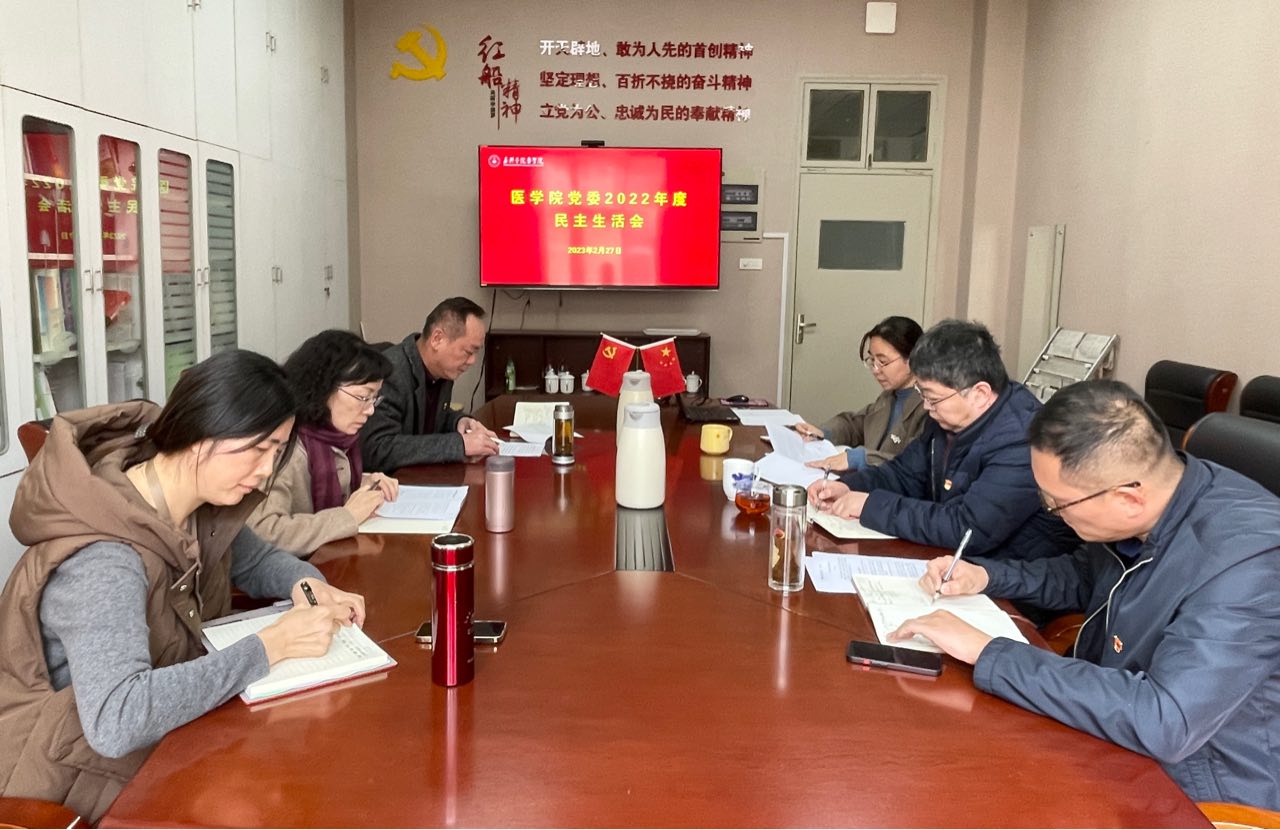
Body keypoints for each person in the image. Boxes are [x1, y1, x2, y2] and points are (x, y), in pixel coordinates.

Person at [0, 350, 366, 822]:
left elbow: (256, 559)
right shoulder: (104, 561)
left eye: (276, 452)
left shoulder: (195, 503)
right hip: (70, 777)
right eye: (258, 449)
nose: (265, 471)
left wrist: (307, 583)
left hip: (161, 740)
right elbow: (117, 718)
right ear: (200, 436)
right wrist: (268, 647)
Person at [892, 380, 1280, 810]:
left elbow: (1166, 719)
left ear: (1129, 498)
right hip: (1112, 731)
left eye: (1057, 504)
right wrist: (986, 576)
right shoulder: (1160, 498)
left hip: (1206, 795)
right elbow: (1084, 575)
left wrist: (988, 651)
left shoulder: (1248, 559)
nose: (1051, 513)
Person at [808, 319, 1077, 564]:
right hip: (955, 561)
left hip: (1007, 577)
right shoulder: (948, 419)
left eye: (933, 398)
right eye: (923, 394)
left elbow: (966, 528)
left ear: (980, 394)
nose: (927, 406)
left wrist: (870, 506)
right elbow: (905, 473)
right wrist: (848, 487)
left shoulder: (1022, 440)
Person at [249, 330, 400, 554]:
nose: (370, 410)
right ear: (324, 388)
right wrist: (347, 517)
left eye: (374, 398)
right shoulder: (284, 447)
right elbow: (264, 533)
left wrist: (366, 482)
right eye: (363, 397)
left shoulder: (333, 438)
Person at [359, 297, 499, 473]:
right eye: (468, 352)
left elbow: (431, 419)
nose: (472, 361)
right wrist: (459, 445)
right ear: (437, 339)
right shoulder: (391, 374)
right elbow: (378, 449)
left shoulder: (442, 371)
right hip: (390, 483)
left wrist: (459, 422)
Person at [796, 315, 927, 472]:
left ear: (912, 359)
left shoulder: (928, 406)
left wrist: (860, 458)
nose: (876, 370)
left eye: (883, 362)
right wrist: (824, 432)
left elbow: (913, 465)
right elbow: (857, 424)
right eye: (872, 360)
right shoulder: (889, 397)